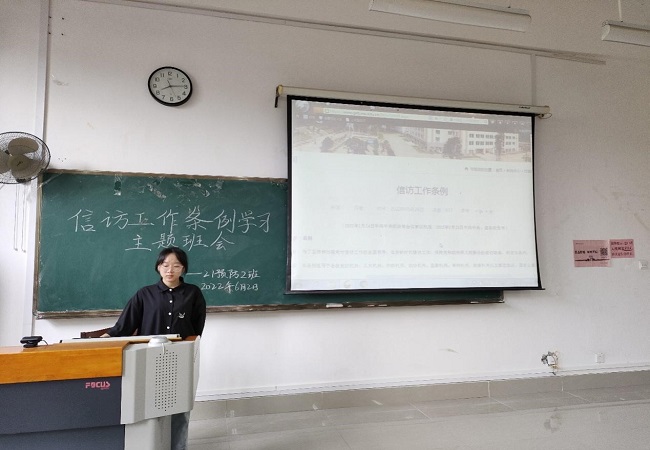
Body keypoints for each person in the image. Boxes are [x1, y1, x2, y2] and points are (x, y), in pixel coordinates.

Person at [103, 246, 206, 450]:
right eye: (165, 265)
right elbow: (124, 326)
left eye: (176, 265)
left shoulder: (193, 293)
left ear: (183, 268)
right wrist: (104, 339)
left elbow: (197, 328)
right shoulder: (144, 294)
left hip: (180, 358)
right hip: (148, 359)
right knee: (149, 407)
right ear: (158, 267)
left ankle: (178, 447)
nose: (170, 270)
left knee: (180, 408)